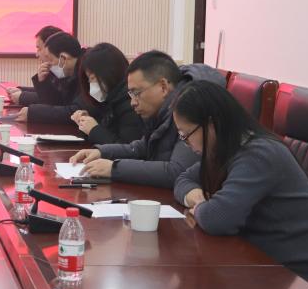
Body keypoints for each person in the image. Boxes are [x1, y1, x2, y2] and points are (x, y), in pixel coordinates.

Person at [172, 81, 308, 280]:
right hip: (255, 261)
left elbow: (218, 219)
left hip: (291, 277)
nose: (185, 143)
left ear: (211, 124)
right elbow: (183, 179)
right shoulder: (225, 149)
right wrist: (198, 198)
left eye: (186, 135)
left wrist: (203, 208)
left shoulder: (259, 154)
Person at [69, 50, 225, 188]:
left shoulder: (191, 107)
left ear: (163, 87)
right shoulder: (163, 110)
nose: (133, 102)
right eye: (131, 94)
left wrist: (114, 168)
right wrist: (101, 152)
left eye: (136, 93)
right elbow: (143, 147)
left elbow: (177, 171)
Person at [70, 43, 144, 144]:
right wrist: (86, 123)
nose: (90, 84)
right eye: (88, 79)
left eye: (92, 78)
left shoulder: (129, 102)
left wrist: (94, 130)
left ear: (109, 73)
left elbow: (127, 148)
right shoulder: (110, 100)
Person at [15, 32, 95, 124]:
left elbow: (77, 112)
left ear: (64, 58)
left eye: (50, 60)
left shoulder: (90, 70)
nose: (48, 65)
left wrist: (34, 113)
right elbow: (58, 102)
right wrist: (43, 82)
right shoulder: (69, 72)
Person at [8, 25, 63, 106]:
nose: (37, 54)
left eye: (39, 49)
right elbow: (48, 93)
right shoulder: (55, 68)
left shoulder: (65, 70)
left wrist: (22, 96)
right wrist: (21, 90)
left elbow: (56, 100)